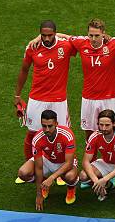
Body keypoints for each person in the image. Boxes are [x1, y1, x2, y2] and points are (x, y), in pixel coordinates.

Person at [27, 19, 115, 140]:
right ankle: (92, 160)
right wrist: (38, 38)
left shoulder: (114, 43)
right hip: (88, 98)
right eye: (91, 35)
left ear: (103, 33)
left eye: (97, 35)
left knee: (114, 132)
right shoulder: (81, 42)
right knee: (89, 134)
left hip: (109, 98)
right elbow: (61, 36)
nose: (93, 39)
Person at [13, 20, 77, 172]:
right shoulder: (32, 47)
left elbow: (78, 40)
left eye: (50, 35)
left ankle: (67, 169)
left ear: (55, 33)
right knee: (32, 133)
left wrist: (57, 36)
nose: (47, 39)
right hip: (37, 98)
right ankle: (31, 165)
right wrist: (17, 95)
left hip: (59, 100)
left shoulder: (66, 45)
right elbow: (24, 70)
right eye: (43, 35)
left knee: (64, 134)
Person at [17, 110, 79, 210]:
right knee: (23, 173)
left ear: (56, 124)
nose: (47, 129)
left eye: (50, 126)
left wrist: (52, 178)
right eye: (44, 126)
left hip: (64, 162)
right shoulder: (37, 138)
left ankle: (71, 188)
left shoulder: (67, 134)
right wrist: (38, 194)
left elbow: (69, 163)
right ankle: (44, 185)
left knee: (70, 177)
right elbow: (39, 167)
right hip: (47, 159)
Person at [79, 110, 115, 205]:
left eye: (107, 125)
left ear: (114, 123)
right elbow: (85, 162)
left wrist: (105, 178)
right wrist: (97, 181)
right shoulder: (95, 136)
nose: (103, 128)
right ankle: (105, 186)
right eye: (101, 125)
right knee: (83, 176)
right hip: (106, 162)